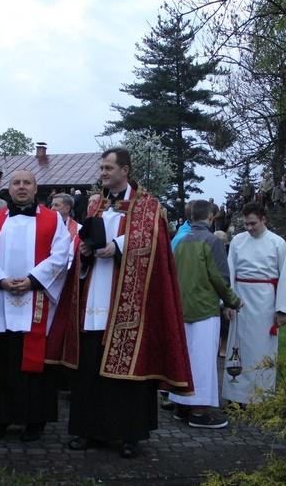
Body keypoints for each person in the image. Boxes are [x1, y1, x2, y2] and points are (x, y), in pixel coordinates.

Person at [56, 147, 193, 459]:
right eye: (101, 168)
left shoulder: (149, 206)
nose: (103, 173)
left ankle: (128, 435)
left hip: (129, 305)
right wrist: (87, 252)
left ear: (125, 170)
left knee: (127, 376)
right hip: (94, 301)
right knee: (90, 369)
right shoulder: (96, 207)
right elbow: (81, 247)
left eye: (108, 168)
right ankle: (87, 431)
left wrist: (117, 247)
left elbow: (154, 245)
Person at [0, 170, 70, 443]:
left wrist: (33, 280)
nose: (21, 187)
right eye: (16, 183)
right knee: (4, 360)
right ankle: (0, 417)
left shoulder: (53, 219)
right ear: (8, 189)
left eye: (27, 183)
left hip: (36, 299)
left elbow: (61, 255)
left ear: (36, 189)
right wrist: (0, 279)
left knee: (33, 364)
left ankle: (35, 420)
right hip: (2, 297)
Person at [171, 199, 242, 428]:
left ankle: (181, 406)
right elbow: (219, 276)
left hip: (183, 307)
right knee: (202, 361)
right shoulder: (212, 241)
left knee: (186, 358)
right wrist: (233, 301)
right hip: (204, 308)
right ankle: (199, 413)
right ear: (211, 217)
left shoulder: (181, 241)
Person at [222, 201, 286, 406]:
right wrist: (229, 302)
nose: (250, 228)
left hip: (265, 303)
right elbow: (230, 272)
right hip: (241, 301)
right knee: (238, 348)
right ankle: (235, 397)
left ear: (264, 219)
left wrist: (281, 310)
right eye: (246, 224)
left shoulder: (277, 243)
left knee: (262, 348)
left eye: (253, 223)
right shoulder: (237, 241)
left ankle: (261, 397)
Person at [50, 192, 81, 269]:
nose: (52, 208)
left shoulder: (79, 229)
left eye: (56, 205)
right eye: (52, 205)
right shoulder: (44, 225)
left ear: (67, 209)